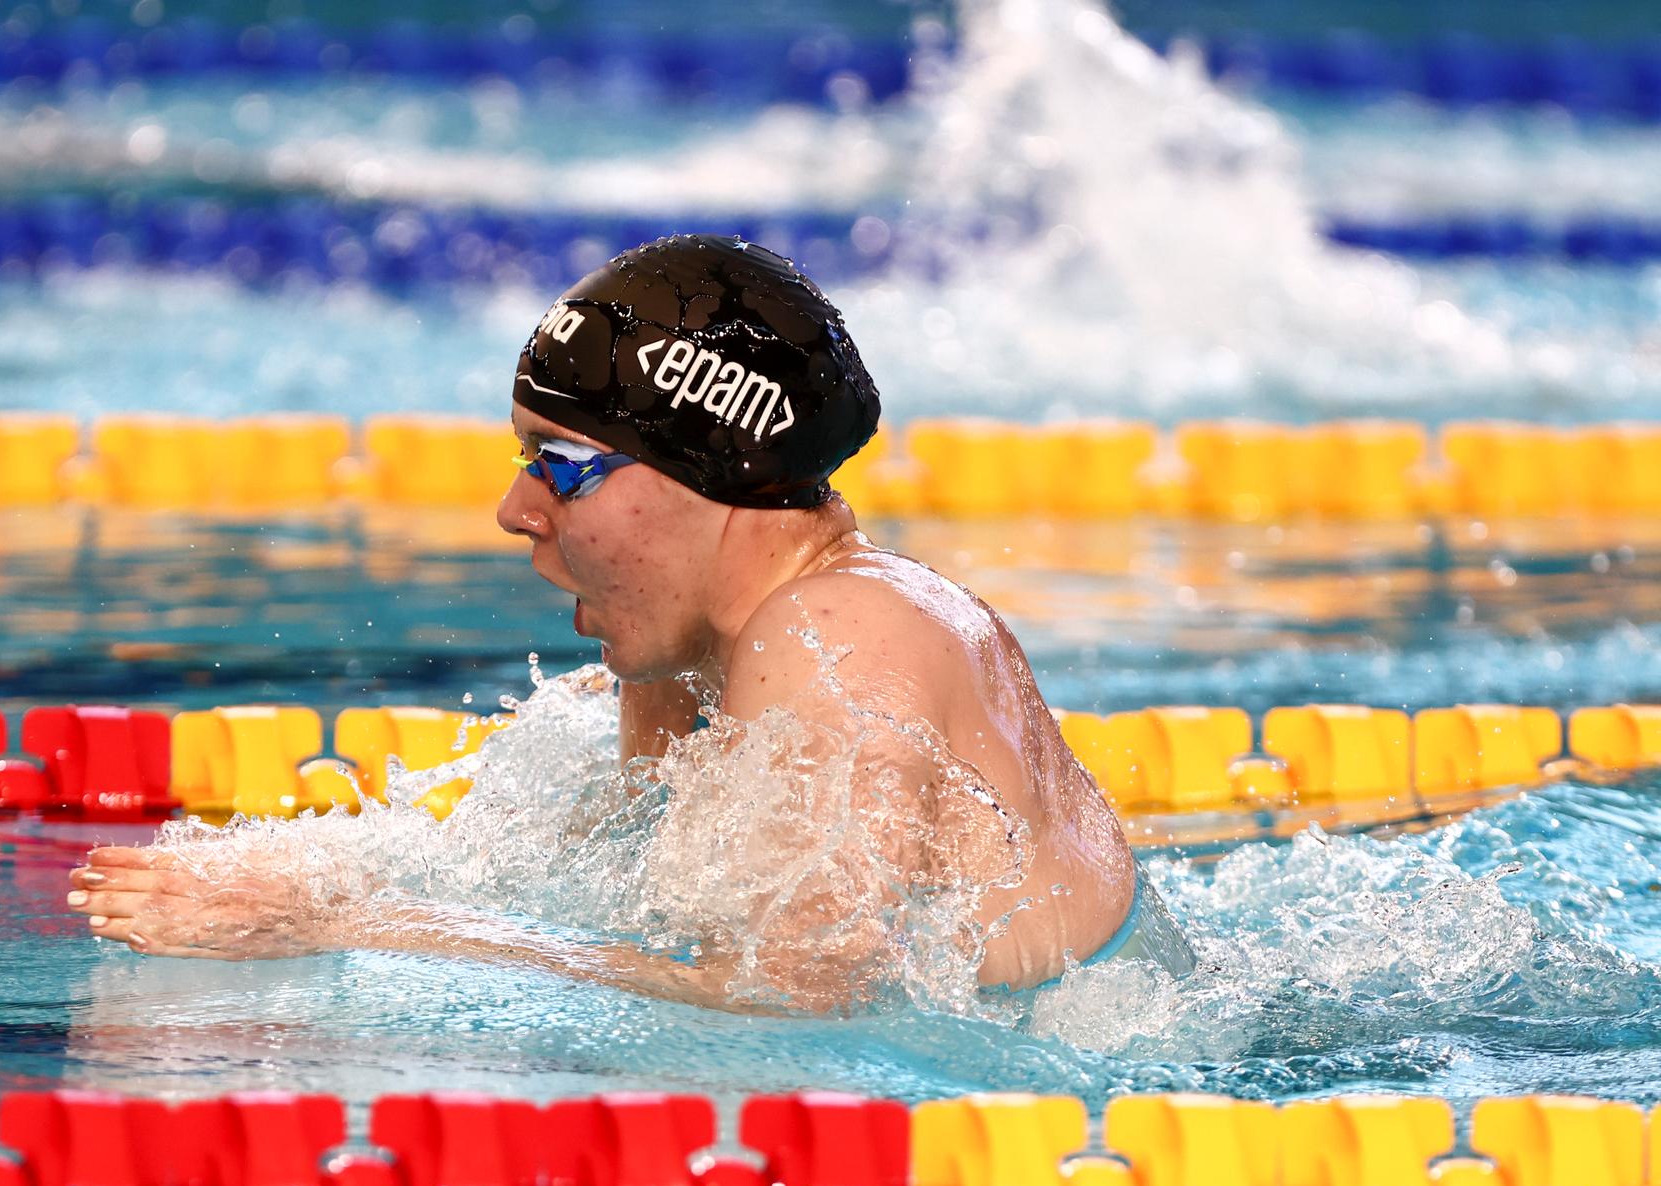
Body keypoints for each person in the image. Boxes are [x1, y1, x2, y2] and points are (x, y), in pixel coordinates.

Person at [66, 234, 1192, 1011]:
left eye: (561, 466)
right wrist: (311, 872)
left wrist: (349, 922)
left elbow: (788, 1000)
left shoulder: (843, 635)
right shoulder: (698, 649)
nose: (515, 511)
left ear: (711, 469)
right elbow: (618, 900)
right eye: (525, 461)